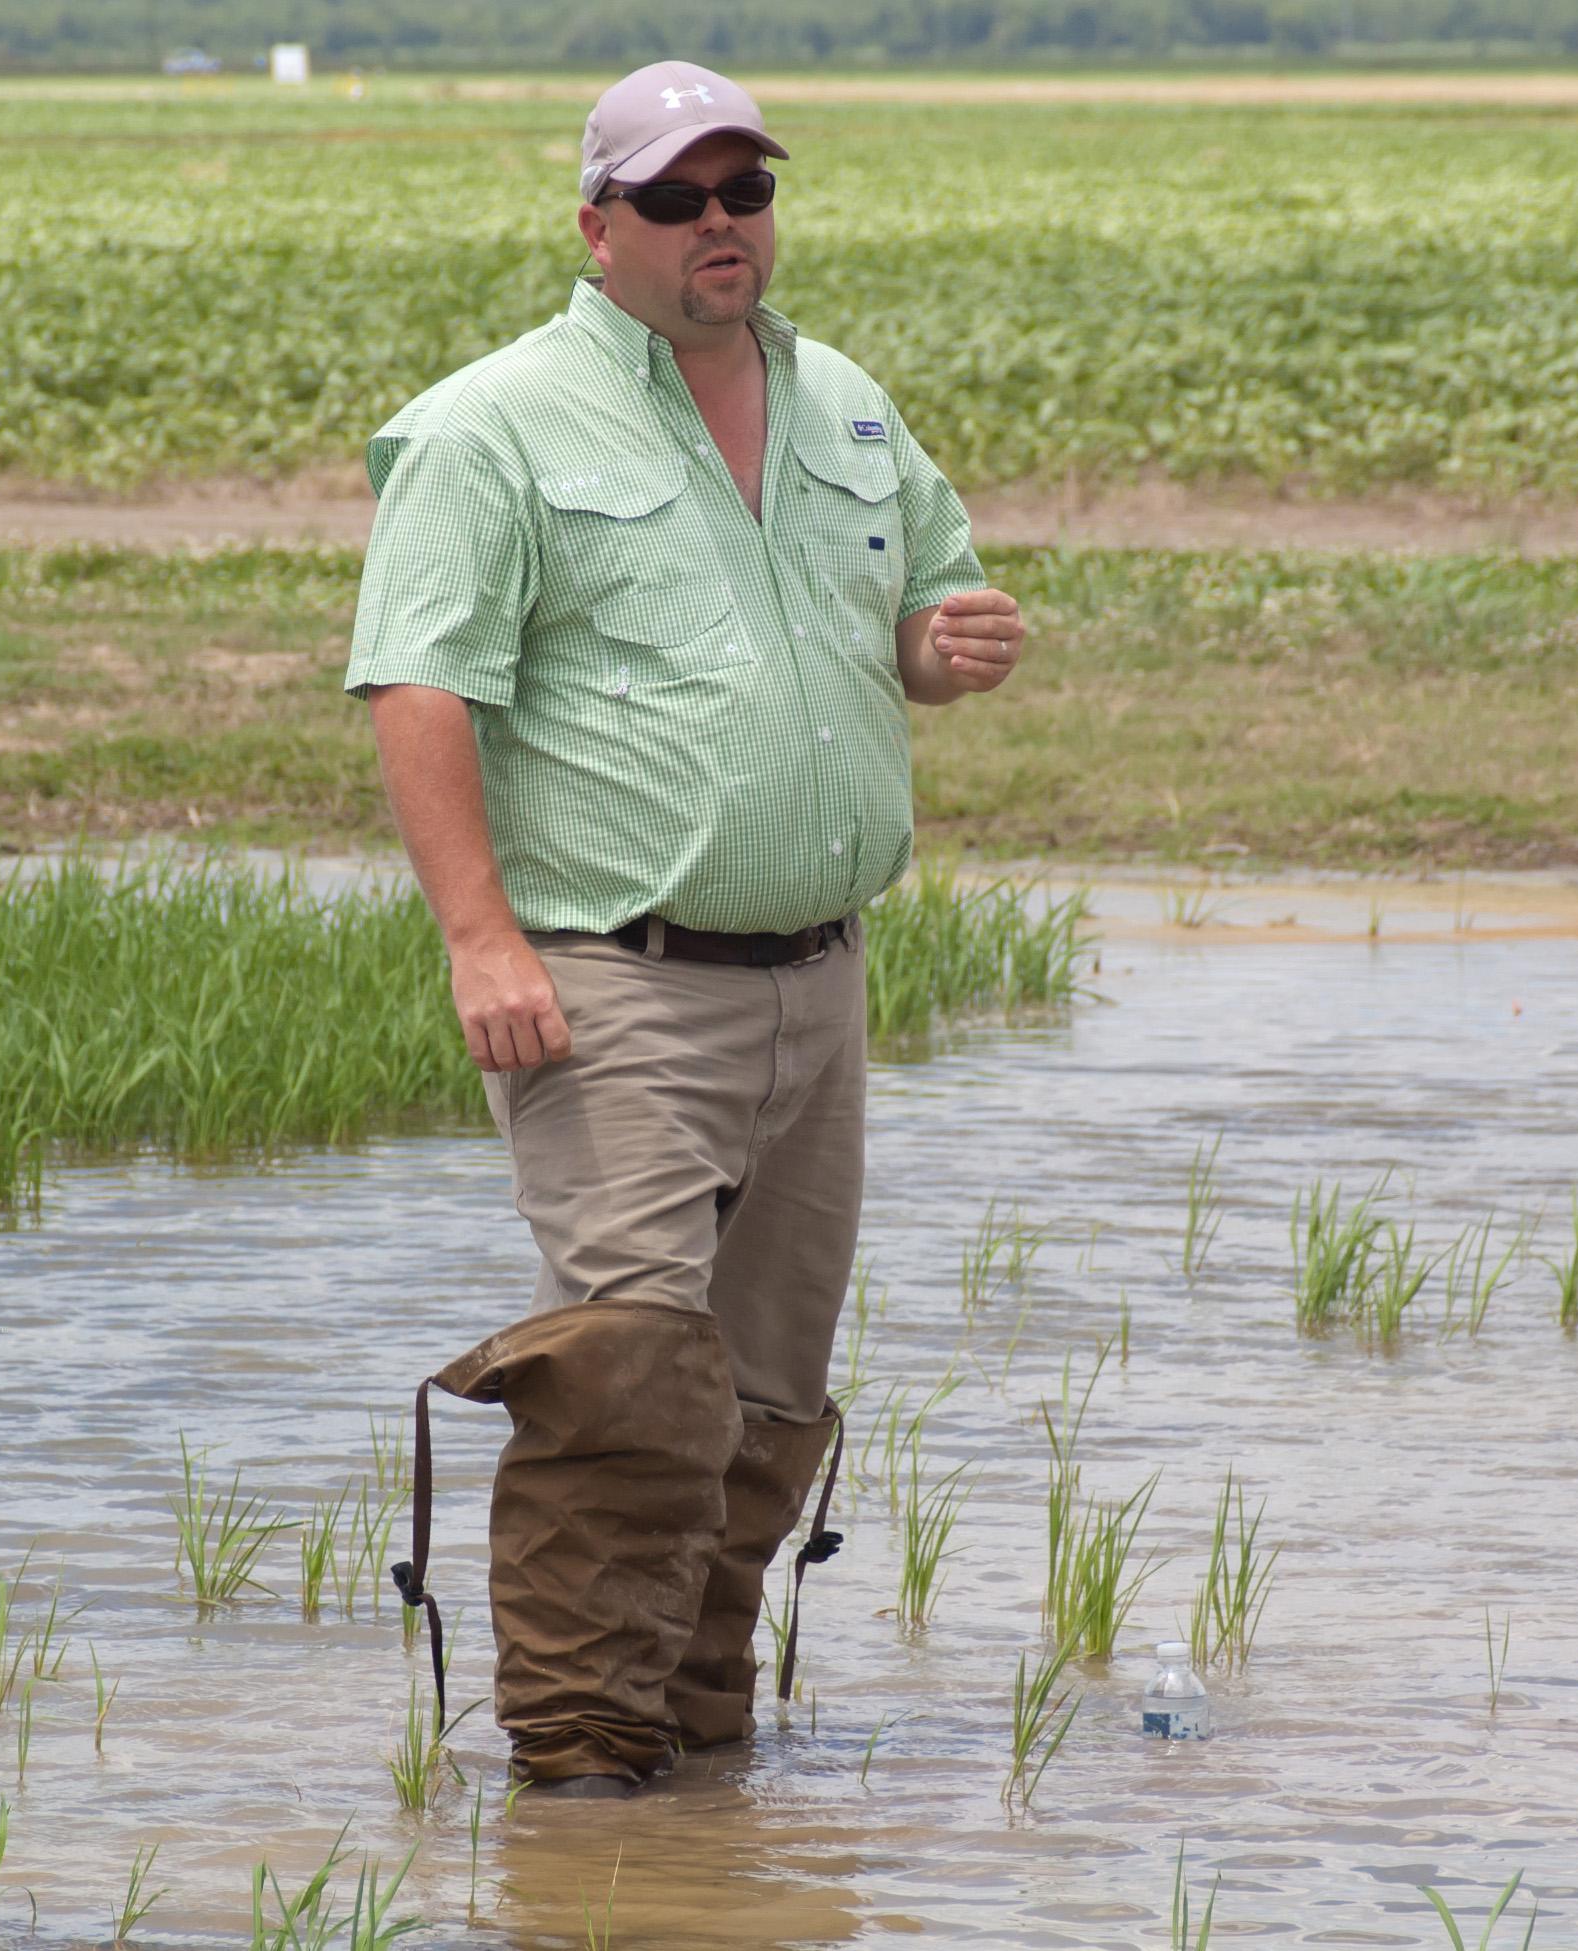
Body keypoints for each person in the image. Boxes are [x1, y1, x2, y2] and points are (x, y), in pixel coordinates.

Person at [347, 59, 1027, 1796]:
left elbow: (920, 597)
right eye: (675, 197)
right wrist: (478, 939)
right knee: (635, 1376)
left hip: (821, 981)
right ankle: (577, 1791)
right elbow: (419, 681)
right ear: (599, 228)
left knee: (769, 1403)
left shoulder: (848, 400)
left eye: (745, 190)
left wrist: (938, 650)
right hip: (613, 980)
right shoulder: (490, 423)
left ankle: (699, 1764)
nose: (721, 223)